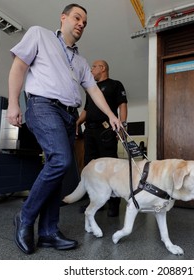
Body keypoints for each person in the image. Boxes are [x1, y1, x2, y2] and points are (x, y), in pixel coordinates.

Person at [6, 4, 121, 255]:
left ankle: (48, 231)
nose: (81, 24)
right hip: (43, 105)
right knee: (61, 159)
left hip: (68, 116)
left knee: (61, 169)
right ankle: (25, 217)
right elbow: (19, 67)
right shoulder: (39, 35)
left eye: (85, 22)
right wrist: (13, 103)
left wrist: (112, 115)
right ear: (64, 18)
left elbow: (92, 91)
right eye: (77, 18)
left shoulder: (81, 61)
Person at [76, 60, 128, 217]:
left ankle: (114, 204)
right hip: (89, 132)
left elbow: (122, 105)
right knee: (90, 168)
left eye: (94, 66)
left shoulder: (115, 85)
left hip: (106, 131)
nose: (91, 69)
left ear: (102, 68)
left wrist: (123, 126)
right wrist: (77, 123)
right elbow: (86, 110)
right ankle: (94, 201)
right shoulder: (91, 89)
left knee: (110, 168)